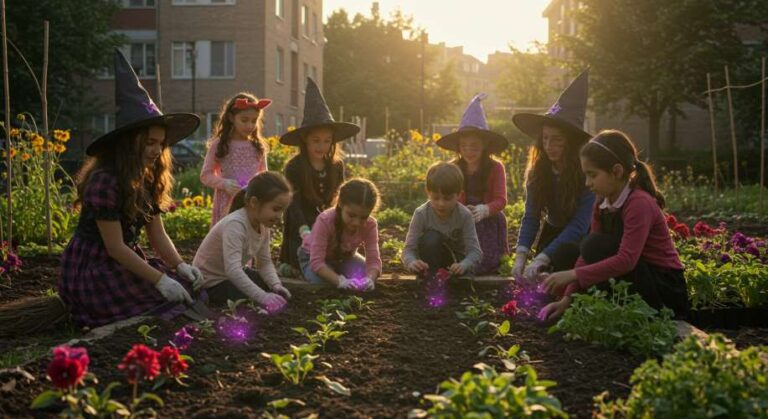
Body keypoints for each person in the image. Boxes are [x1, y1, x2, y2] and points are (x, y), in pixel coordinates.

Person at [59, 49, 202, 327]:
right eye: (149, 142)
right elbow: (115, 247)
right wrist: (160, 280)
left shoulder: (147, 179)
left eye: (160, 143)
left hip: (123, 262)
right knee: (163, 303)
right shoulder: (104, 181)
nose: (156, 150)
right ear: (128, 143)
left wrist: (179, 265)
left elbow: (157, 233)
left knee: (188, 289)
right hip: (94, 269)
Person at [538, 130, 690, 321]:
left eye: (592, 175)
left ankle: (639, 313)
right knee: (568, 251)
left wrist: (573, 274)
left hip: (662, 287)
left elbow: (626, 260)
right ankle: (589, 306)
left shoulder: (638, 203)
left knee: (596, 245)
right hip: (635, 277)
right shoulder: (602, 202)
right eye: (586, 176)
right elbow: (587, 255)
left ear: (616, 172)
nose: (588, 183)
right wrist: (567, 298)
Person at [511, 70, 596, 281]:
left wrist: (543, 257)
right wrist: (521, 254)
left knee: (562, 270)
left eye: (557, 139)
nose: (549, 146)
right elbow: (531, 216)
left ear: (572, 142)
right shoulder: (539, 172)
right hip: (553, 232)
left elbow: (579, 225)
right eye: (545, 138)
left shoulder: (587, 174)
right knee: (538, 280)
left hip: (583, 238)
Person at [279, 78, 359, 277]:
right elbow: (293, 204)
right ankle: (292, 264)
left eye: (326, 141)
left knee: (343, 261)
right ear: (305, 139)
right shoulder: (295, 167)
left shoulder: (336, 166)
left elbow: (341, 199)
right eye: (316, 140)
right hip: (302, 224)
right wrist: (305, 231)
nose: (321, 146)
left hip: (328, 222)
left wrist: (343, 227)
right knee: (307, 261)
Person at [192, 172, 293, 313]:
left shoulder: (263, 224)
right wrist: (263, 297)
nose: (279, 216)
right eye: (276, 209)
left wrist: (276, 285)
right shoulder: (235, 224)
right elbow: (233, 270)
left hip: (229, 276)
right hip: (211, 283)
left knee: (267, 286)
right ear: (254, 203)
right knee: (251, 298)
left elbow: (264, 263)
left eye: (282, 211)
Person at [437, 93, 509, 274]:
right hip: (458, 217)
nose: (469, 151)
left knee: (485, 261)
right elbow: (444, 196)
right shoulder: (453, 168)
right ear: (459, 147)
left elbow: (501, 200)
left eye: (474, 146)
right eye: (464, 146)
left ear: (484, 145)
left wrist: (485, 209)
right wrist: (460, 210)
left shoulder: (496, 167)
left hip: (486, 220)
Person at [200, 92, 272, 227]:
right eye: (244, 120)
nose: (250, 125)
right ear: (231, 117)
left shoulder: (258, 146)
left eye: (254, 121)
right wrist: (225, 184)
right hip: (227, 204)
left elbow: (264, 176)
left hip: (252, 204)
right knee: (230, 235)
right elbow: (205, 175)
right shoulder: (220, 144)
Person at [402, 161, 483, 279]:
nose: (441, 204)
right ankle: (432, 280)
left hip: (456, 266)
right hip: (430, 263)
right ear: (427, 192)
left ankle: (452, 282)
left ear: (459, 195)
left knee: (462, 280)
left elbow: (475, 252)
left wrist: (463, 265)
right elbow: (408, 249)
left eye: (447, 199)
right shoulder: (421, 214)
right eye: (436, 198)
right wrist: (412, 262)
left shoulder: (464, 215)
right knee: (430, 238)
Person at [298, 178, 381, 291]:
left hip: (343, 257)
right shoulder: (325, 221)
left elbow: (374, 261)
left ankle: (334, 271)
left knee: (362, 273)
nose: (356, 223)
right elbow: (317, 262)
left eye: (363, 217)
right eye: (351, 215)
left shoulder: (370, 225)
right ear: (340, 203)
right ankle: (295, 269)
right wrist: (340, 281)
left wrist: (370, 278)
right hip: (311, 256)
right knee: (321, 281)